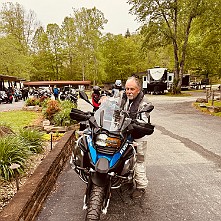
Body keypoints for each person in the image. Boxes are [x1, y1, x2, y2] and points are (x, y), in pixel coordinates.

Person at [119, 76, 154, 199]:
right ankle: (127, 180)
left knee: (139, 160)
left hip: (139, 134)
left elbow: (143, 120)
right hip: (125, 133)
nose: (128, 91)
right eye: (127, 88)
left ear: (138, 89)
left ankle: (141, 186)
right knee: (125, 158)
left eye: (132, 89)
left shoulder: (144, 103)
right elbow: (115, 106)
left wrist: (132, 122)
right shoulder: (124, 98)